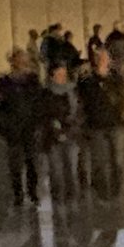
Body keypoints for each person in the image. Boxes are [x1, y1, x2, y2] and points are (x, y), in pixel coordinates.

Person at [0, 47, 43, 206]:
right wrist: (2, 124)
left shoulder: (32, 80)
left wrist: (39, 121)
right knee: (15, 163)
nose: (21, 62)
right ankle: (18, 193)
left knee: (32, 162)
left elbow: (38, 101)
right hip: (12, 128)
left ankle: (32, 192)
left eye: (23, 59)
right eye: (18, 59)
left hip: (29, 126)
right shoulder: (4, 82)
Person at [78, 47, 124, 199]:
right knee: (99, 160)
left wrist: (121, 112)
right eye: (99, 58)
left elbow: (122, 99)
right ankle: (102, 191)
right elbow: (82, 100)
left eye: (104, 58)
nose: (102, 61)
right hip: (96, 125)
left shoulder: (115, 79)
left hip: (115, 123)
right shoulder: (87, 81)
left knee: (117, 159)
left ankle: (115, 188)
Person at [40, 64, 80, 204]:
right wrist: (54, 128)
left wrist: (69, 129)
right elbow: (44, 115)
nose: (62, 78)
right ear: (52, 76)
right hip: (52, 138)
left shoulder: (71, 92)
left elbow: (77, 113)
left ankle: (72, 198)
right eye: (58, 74)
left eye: (64, 74)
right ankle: (58, 199)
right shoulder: (46, 94)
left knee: (71, 169)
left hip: (71, 135)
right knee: (56, 171)